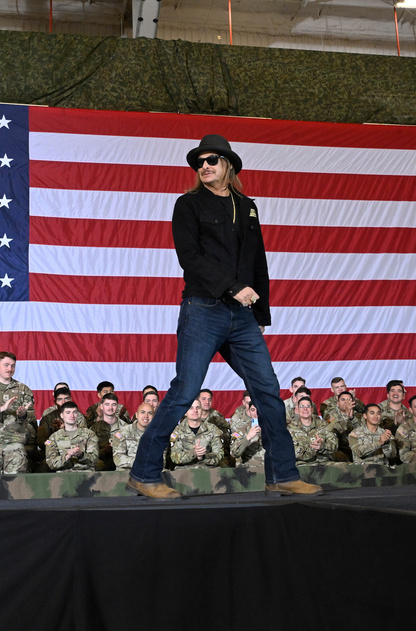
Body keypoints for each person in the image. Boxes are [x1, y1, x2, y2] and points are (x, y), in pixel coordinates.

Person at [126, 135, 321, 497]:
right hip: (203, 309)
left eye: (211, 160)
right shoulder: (188, 205)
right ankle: (144, 474)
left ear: (228, 163)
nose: (204, 166)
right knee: (185, 391)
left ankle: (282, 475)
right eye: (198, 162)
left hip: (242, 316)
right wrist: (233, 287)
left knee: (268, 393)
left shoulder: (247, 206)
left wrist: (260, 311)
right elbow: (191, 258)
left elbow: (258, 260)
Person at [169, 398, 224, 470]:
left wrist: (203, 457)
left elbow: (219, 455)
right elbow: (175, 458)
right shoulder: (177, 431)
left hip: (208, 470)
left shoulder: (213, 429)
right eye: (191, 408)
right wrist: (194, 453)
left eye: (198, 408)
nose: (195, 411)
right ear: (185, 412)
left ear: (201, 411)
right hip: (185, 471)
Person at [44, 401, 99, 471]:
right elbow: (51, 463)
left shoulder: (89, 434)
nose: (72, 415)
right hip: (64, 476)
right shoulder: (54, 437)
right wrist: (67, 457)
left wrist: (81, 454)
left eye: (74, 412)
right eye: (68, 412)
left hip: (86, 474)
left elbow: (94, 460)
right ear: (61, 415)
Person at [288, 396, 337, 466]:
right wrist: (313, 449)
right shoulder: (291, 428)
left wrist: (322, 446)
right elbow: (293, 452)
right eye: (302, 406)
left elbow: (334, 444)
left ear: (312, 410)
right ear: (297, 410)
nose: (305, 409)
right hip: (301, 465)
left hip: (323, 463)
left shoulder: (323, 424)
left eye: (308, 406)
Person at [112, 403, 154, 471]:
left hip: (150, 472)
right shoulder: (123, 433)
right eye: (142, 412)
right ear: (136, 415)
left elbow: (161, 460)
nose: (146, 416)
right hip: (127, 473)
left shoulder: (158, 436)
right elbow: (118, 458)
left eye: (150, 413)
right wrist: (139, 462)